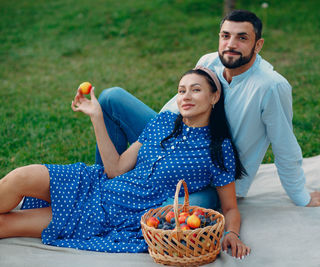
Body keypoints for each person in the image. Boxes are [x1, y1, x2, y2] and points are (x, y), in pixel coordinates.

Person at [95, 9, 320, 210]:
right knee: (111, 97)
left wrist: (301, 197)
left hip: (213, 178)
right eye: (225, 36)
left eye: (242, 38)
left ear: (258, 44)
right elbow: (177, 104)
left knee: (171, 211)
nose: (231, 44)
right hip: (178, 148)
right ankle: (102, 185)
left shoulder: (271, 87)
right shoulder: (209, 62)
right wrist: (156, 148)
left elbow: (284, 144)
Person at [0, 67, 250, 259]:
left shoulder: (218, 149)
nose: (185, 96)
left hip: (112, 214)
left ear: (214, 97)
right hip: (94, 184)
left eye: (195, 90)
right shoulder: (162, 123)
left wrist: (232, 234)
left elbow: (229, 207)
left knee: (6, 224)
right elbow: (115, 169)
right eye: (181, 90)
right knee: (19, 177)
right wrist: (97, 115)